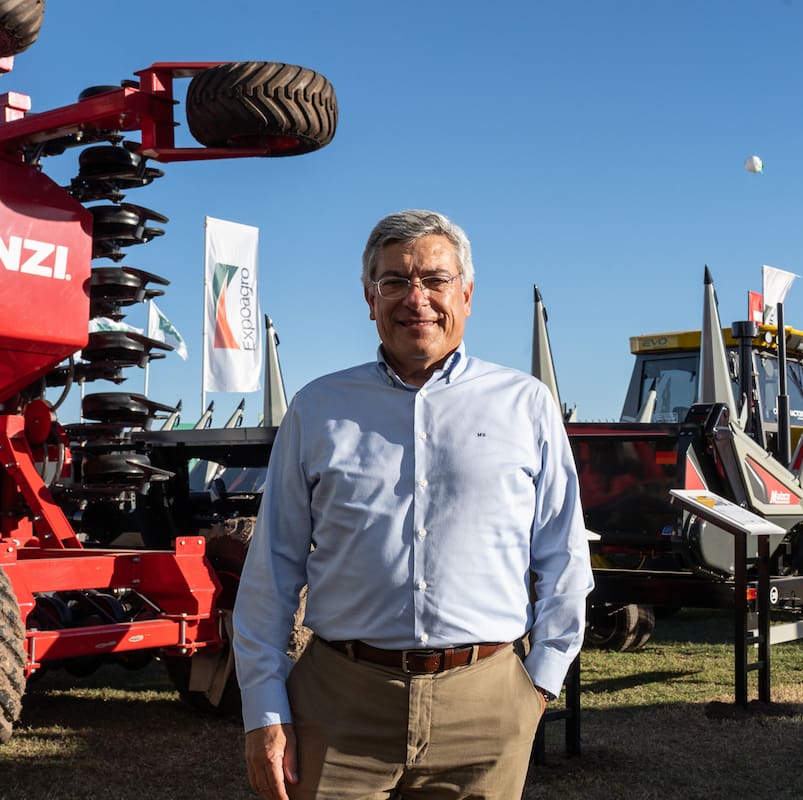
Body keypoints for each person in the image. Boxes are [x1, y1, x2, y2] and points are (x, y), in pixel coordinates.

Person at [232, 209, 594, 800]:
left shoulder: (525, 405)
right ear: (369, 298)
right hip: (337, 703)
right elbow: (271, 567)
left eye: (435, 279)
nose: (415, 298)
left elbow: (564, 555)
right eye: (394, 281)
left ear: (467, 295)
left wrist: (538, 686)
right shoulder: (317, 408)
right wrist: (264, 710)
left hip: (487, 707)